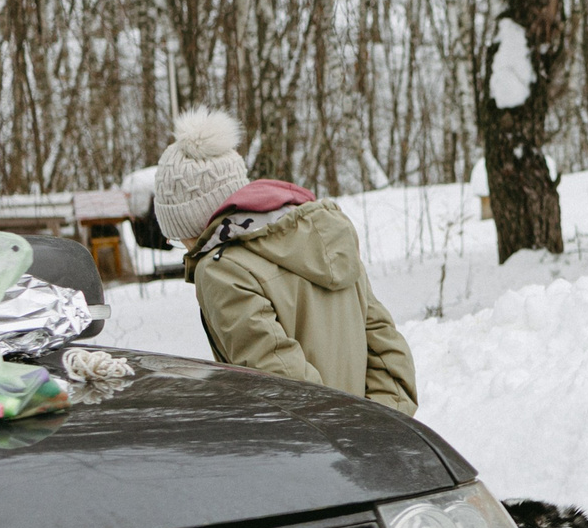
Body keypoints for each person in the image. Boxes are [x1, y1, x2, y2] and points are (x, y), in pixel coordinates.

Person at [153, 108, 416, 411]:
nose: (184, 248)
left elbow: (285, 389)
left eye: (177, 237)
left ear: (195, 222)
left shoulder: (222, 271)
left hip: (313, 451)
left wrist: (340, 444)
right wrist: (378, 430)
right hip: (362, 442)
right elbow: (388, 352)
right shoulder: (324, 234)